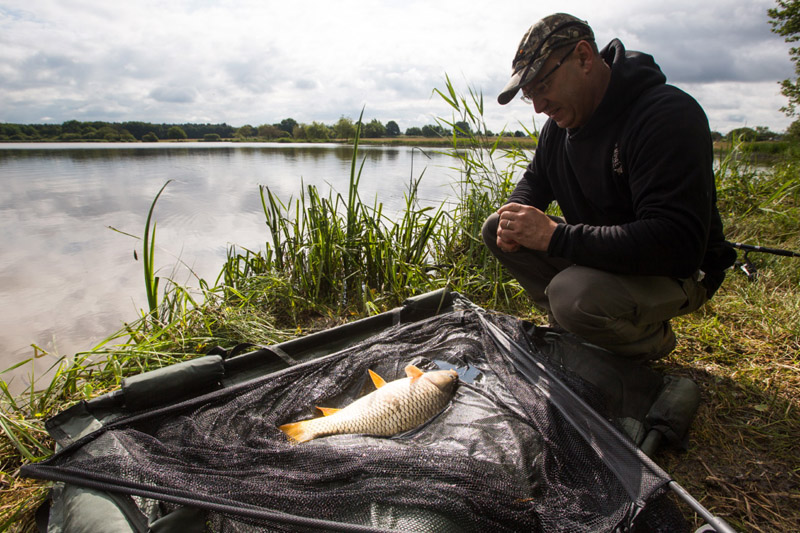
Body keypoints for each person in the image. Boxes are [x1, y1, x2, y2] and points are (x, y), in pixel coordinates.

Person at [483, 13, 736, 361]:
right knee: (498, 223)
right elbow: (535, 180)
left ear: (585, 58)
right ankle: (574, 324)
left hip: (680, 271)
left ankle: (646, 340)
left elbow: (677, 245)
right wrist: (516, 213)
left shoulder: (666, 115)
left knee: (573, 295)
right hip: (609, 255)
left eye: (542, 86)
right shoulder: (560, 126)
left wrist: (555, 237)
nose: (539, 107)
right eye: (530, 95)